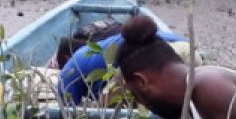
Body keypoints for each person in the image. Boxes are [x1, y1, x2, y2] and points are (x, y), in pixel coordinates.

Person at [56, 21, 189, 104]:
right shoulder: (97, 49)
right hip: (186, 47)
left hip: (169, 52)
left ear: (66, 59)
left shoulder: (67, 74)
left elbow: (70, 113)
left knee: (99, 118)